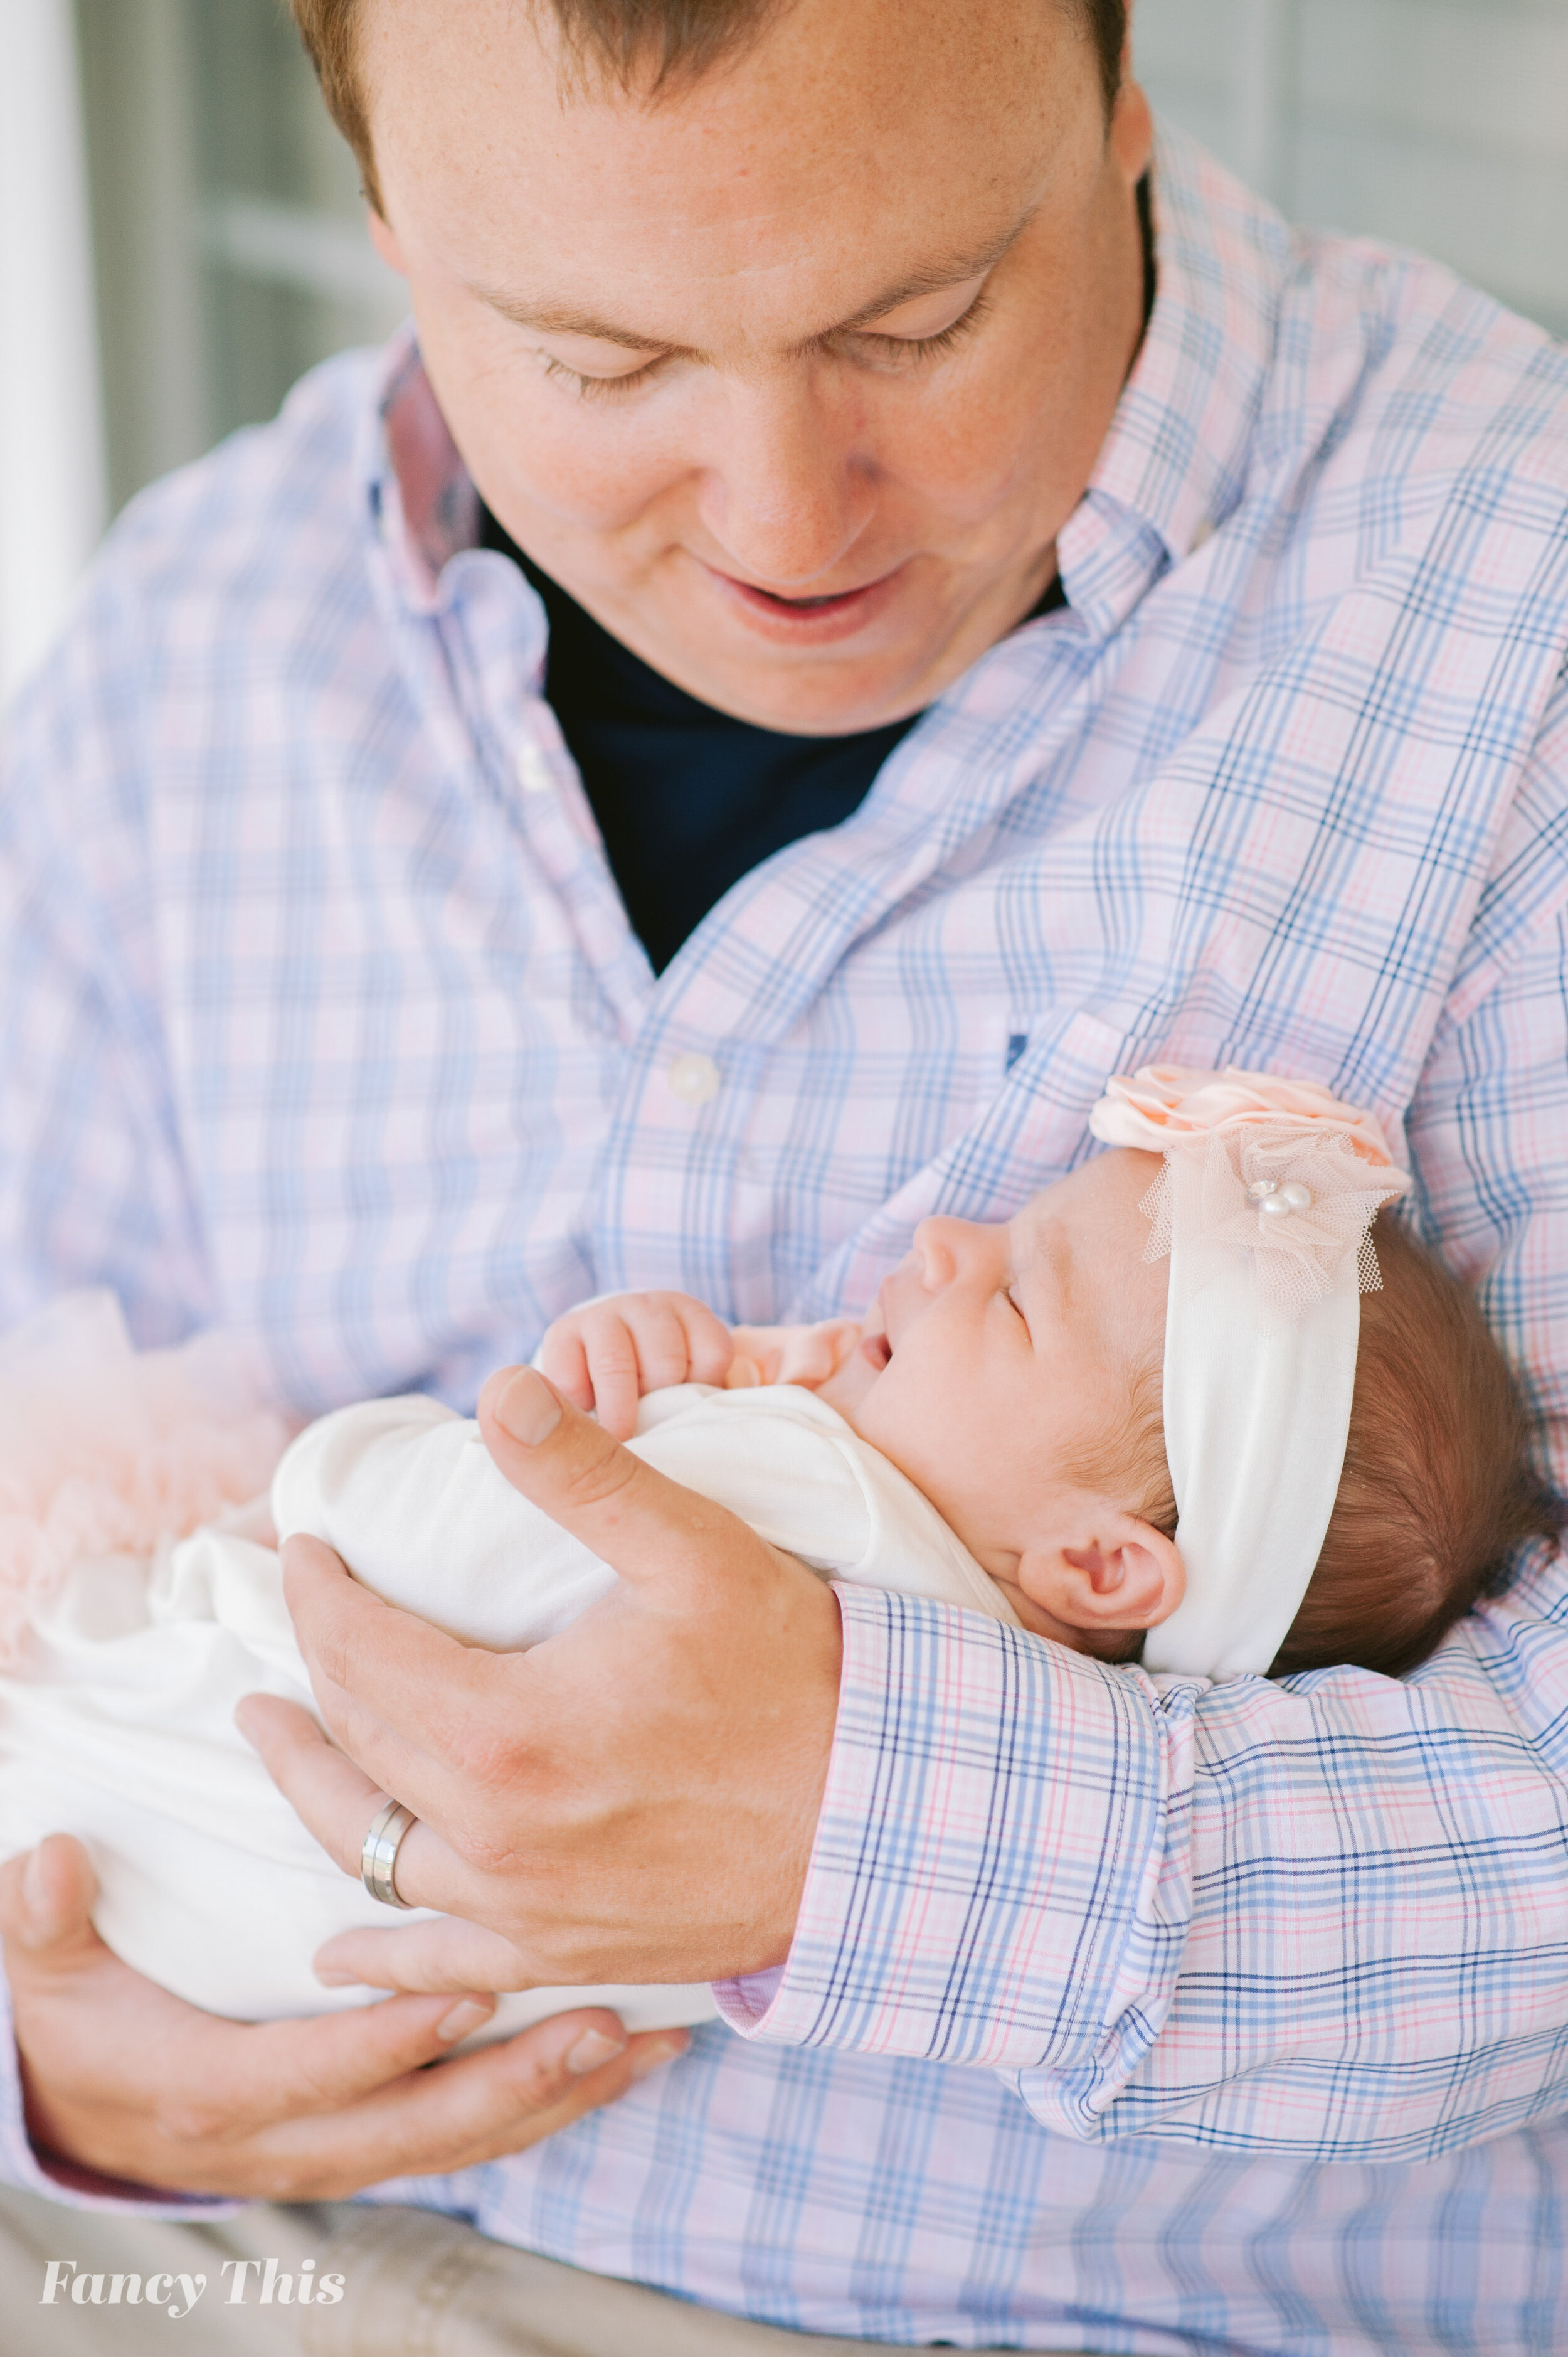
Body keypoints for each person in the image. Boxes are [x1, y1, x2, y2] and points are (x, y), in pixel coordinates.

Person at [1, 0, 1567, 2348]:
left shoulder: (1510, 621)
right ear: (389, 223)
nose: (780, 514)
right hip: (196, 2261)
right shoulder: (179, 666)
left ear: (1122, 87)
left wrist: (883, 1825)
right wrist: (44, 2052)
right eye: (598, 359)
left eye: (916, 319)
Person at [4, 1070, 1544, 2050]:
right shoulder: (956, 1689)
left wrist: (610, 1414)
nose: (947, 1241)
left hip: (117, 1750)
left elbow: (361, 1528)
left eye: (1009, 1300)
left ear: (1098, 1561)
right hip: (270, 1968)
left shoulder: (790, 1475)